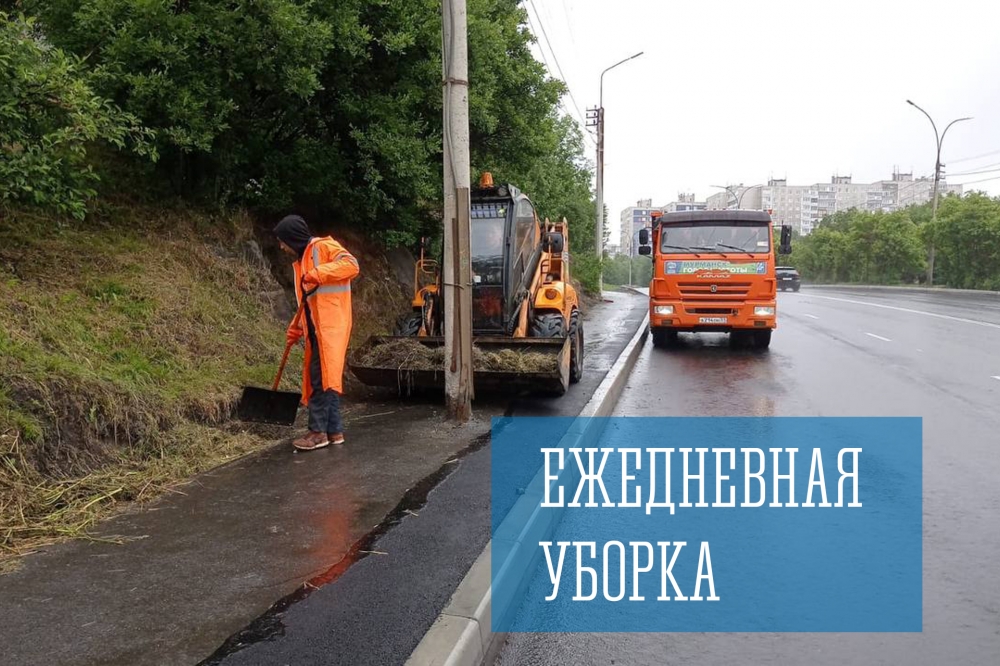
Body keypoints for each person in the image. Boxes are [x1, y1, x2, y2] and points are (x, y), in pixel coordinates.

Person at [274, 215, 360, 451]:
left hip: (331, 327)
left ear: (292, 238)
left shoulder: (323, 247)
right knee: (325, 379)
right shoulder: (302, 260)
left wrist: (320, 273)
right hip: (317, 328)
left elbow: (352, 265)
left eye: (282, 241)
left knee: (320, 379)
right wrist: (297, 327)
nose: (281, 247)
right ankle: (334, 432)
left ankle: (317, 433)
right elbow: (308, 302)